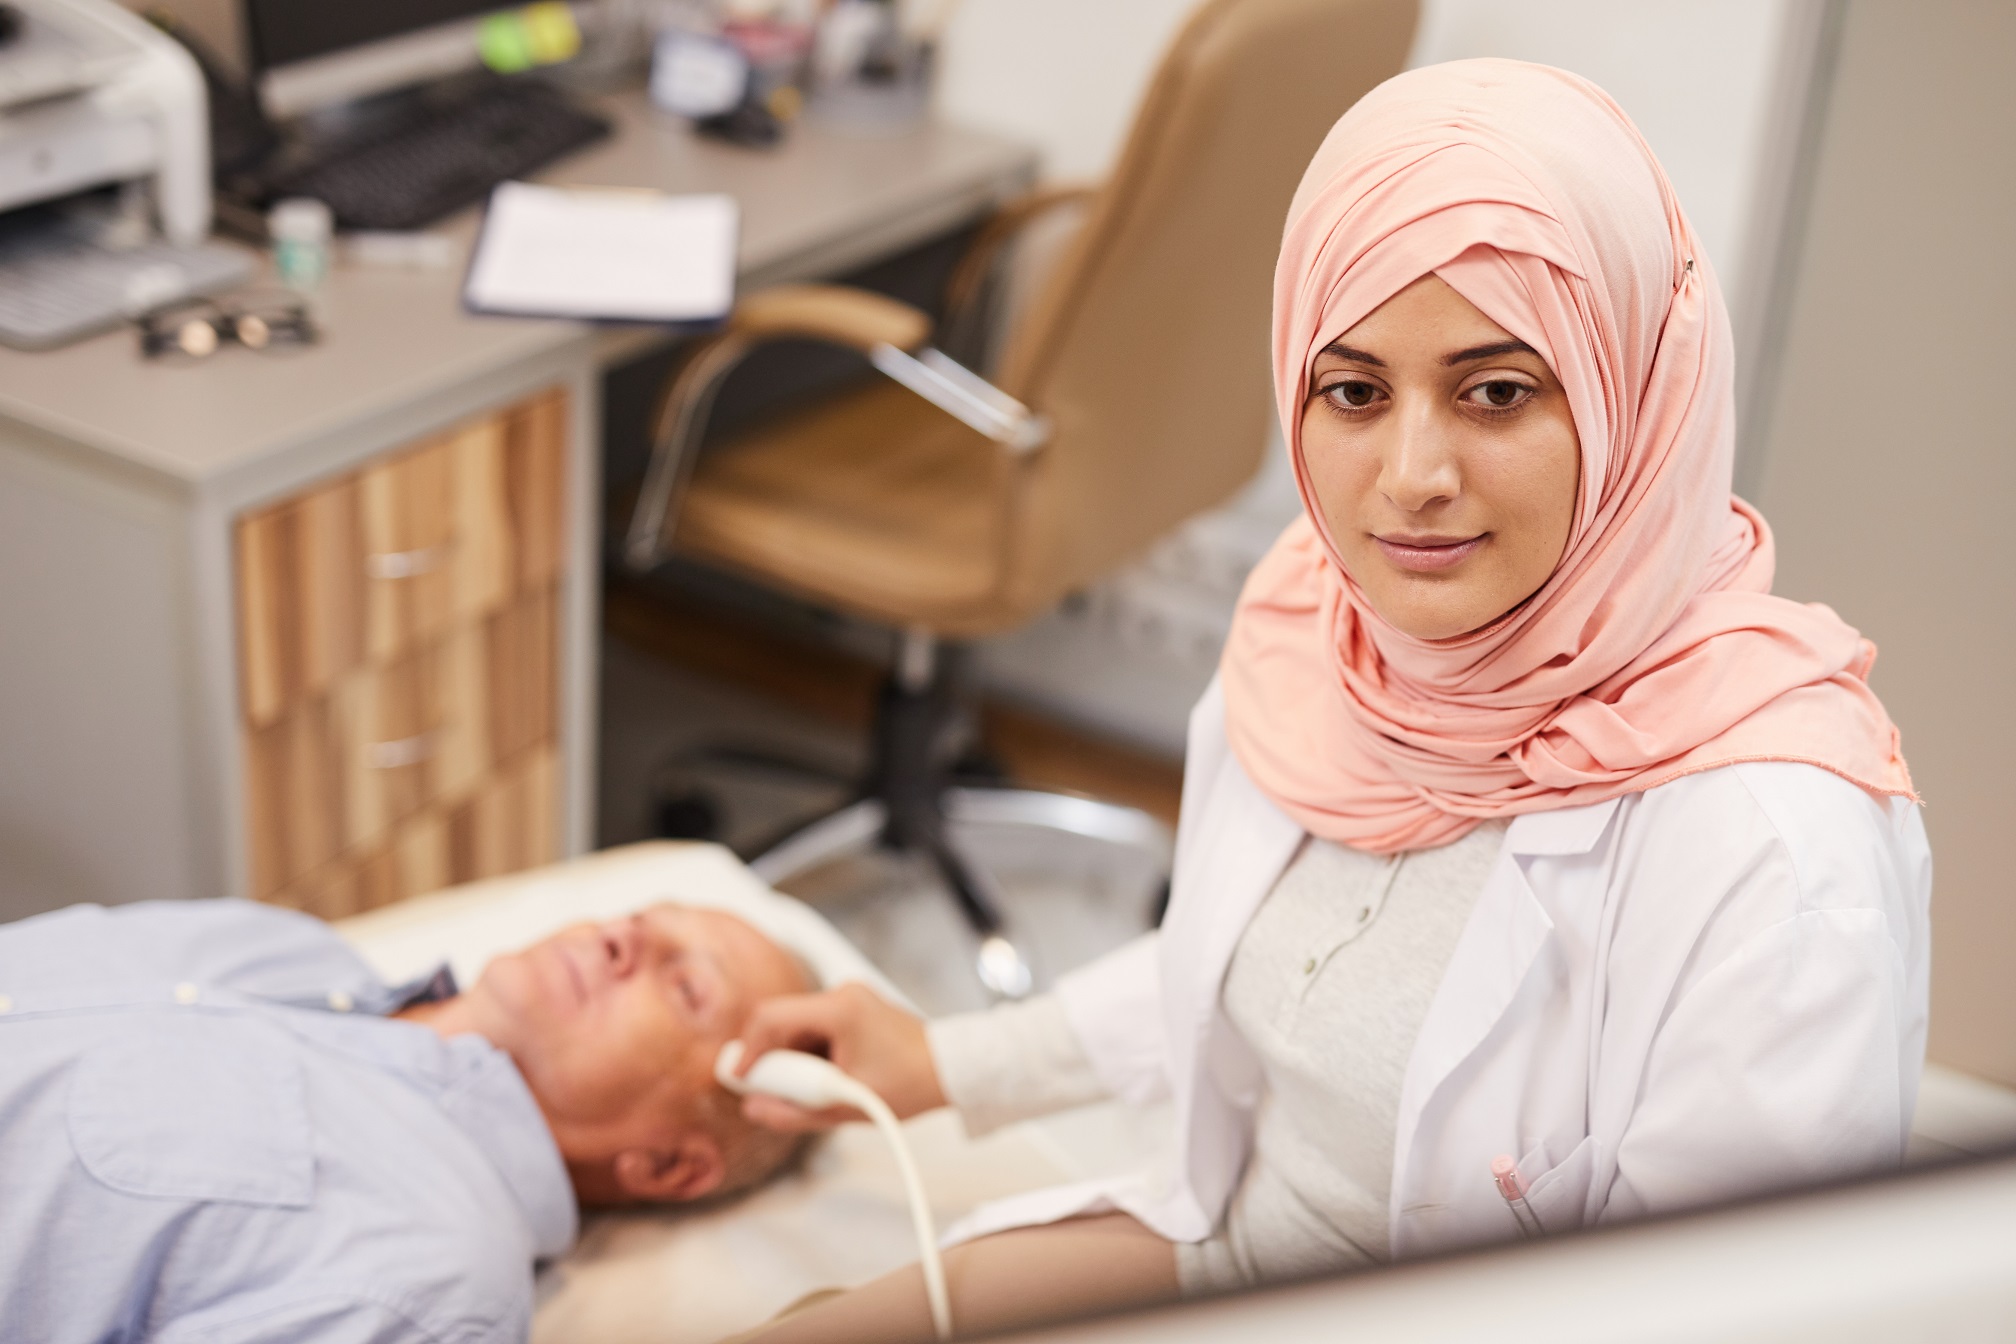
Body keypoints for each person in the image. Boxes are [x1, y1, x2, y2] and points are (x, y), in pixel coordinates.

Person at [726, 57, 1933, 1342]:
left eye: (1499, 391)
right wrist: (942, 1064)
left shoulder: (1774, 859)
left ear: (1637, 393)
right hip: (1231, 1262)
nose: (1409, 478)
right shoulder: (1324, 631)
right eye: (1355, 391)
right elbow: (1254, 960)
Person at [0, 895, 811, 1342]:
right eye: (636, 920)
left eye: (683, 986)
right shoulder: (283, 945)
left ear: (668, 1165)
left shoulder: (430, 1285)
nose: (615, 938)